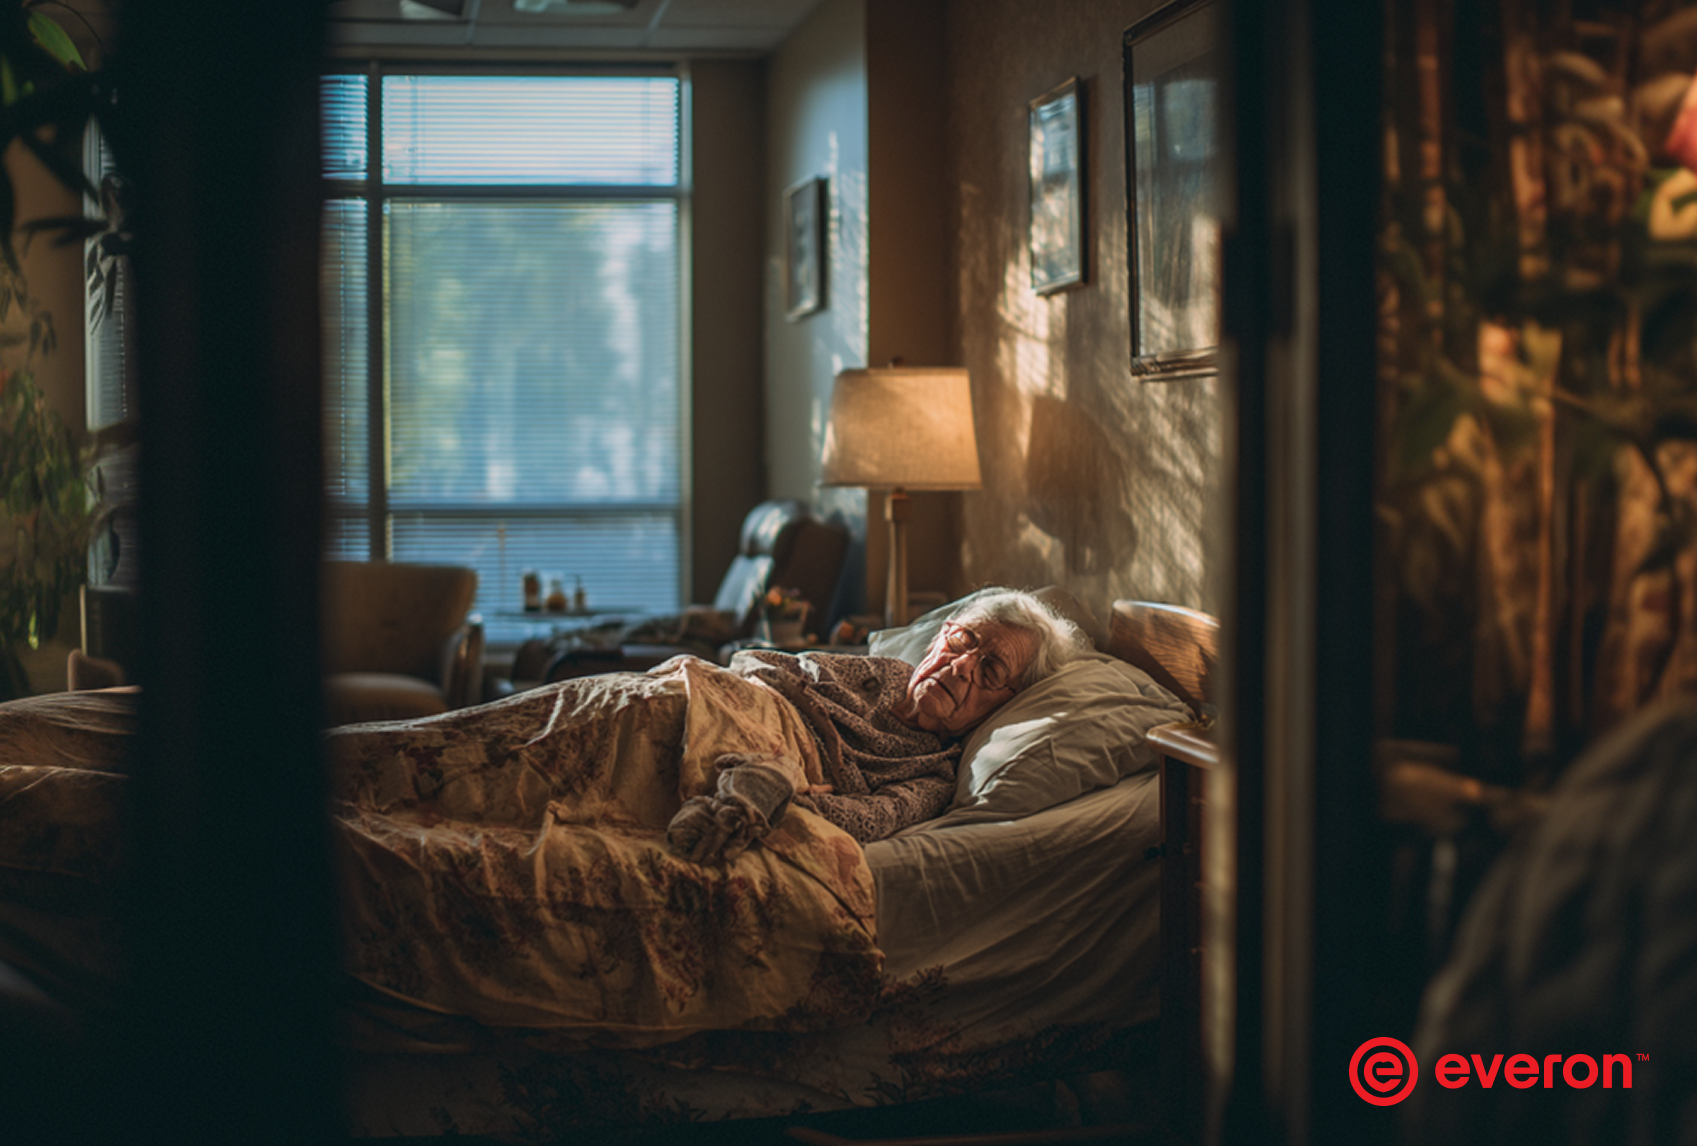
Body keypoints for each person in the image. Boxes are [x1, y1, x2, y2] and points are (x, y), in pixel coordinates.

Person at [666, 588, 1089, 860]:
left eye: (991, 670)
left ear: (1005, 703)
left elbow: (868, 819)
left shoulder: (933, 775)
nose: (961, 666)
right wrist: (763, 724)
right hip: (719, 706)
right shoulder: (883, 672)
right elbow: (758, 661)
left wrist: (785, 789)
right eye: (963, 641)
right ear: (940, 636)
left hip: (761, 767)